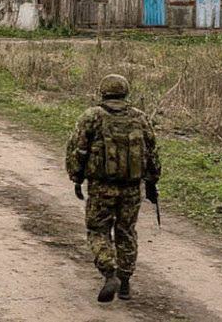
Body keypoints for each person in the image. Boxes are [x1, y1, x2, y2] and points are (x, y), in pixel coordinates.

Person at [66, 73, 161, 303]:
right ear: (125, 92)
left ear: (103, 91)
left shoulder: (92, 117)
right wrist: (151, 181)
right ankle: (125, 281)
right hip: (131, 188)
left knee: (98, 230)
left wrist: (76, 178)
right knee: (126, 231)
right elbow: (152, 152)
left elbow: (78, 149)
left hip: (101, 187)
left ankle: (109, 273)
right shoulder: (140, 118)